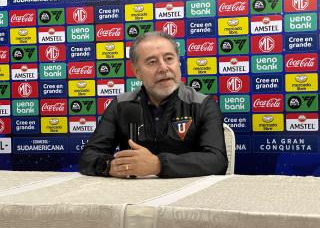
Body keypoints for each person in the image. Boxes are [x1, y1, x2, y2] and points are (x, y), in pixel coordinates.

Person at [79, 31, 228, 178]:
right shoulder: (120, 105)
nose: (163, 68)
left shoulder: (202, 104)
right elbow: (88, 156)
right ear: (137, 72)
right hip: (133, 195)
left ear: (178, 62)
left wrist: (158, 165)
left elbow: (217, 161)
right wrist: (109, 166)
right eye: (152, 62)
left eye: (169, 58)